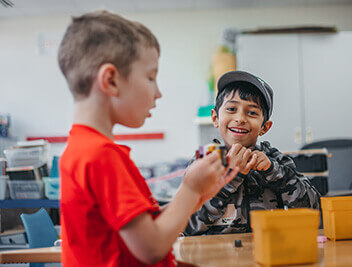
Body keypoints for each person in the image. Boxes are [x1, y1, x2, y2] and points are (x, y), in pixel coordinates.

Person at [58, 10, 238, 266]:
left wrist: (194, 199)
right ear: (111, 80)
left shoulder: (83, 149)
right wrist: (190, 188)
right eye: (151, 77)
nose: (158, 93)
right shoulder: (100, 155)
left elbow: (140, 230)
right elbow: (151, 247)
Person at [184, 70, 320, 236]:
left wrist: (274, 171)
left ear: (264, 127)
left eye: (252, 113)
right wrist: (230, 178)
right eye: (232, 109)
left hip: (270, 250)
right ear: (215, 118)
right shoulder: (204, 161)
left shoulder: (275, 160)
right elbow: (188, 226)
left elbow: (314, 211)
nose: (240, 118)